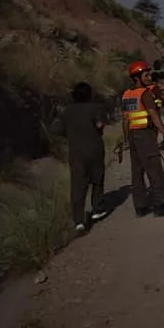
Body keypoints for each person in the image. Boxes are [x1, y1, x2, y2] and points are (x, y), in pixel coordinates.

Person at [121, 61, 164, 218]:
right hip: (145, 136)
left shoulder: (127, 94)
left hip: (133, 136)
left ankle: (140, 207)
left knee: (137, 172)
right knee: (154, 170)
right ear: (137, 78)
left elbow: (125, 120)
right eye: (145, 75)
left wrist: (126, 140)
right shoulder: (144, 94)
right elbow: (153, 114)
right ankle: (161, 205)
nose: (148, 77)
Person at [51, 82, 108, 233]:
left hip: (76, 152)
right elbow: (100, 124)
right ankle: (97, 209)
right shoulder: (96, 108)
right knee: (97, 180)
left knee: (78, 185)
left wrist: (71, 133)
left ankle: (78, 220)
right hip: (95, 149)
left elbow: (56, 129)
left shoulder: (67, 112)